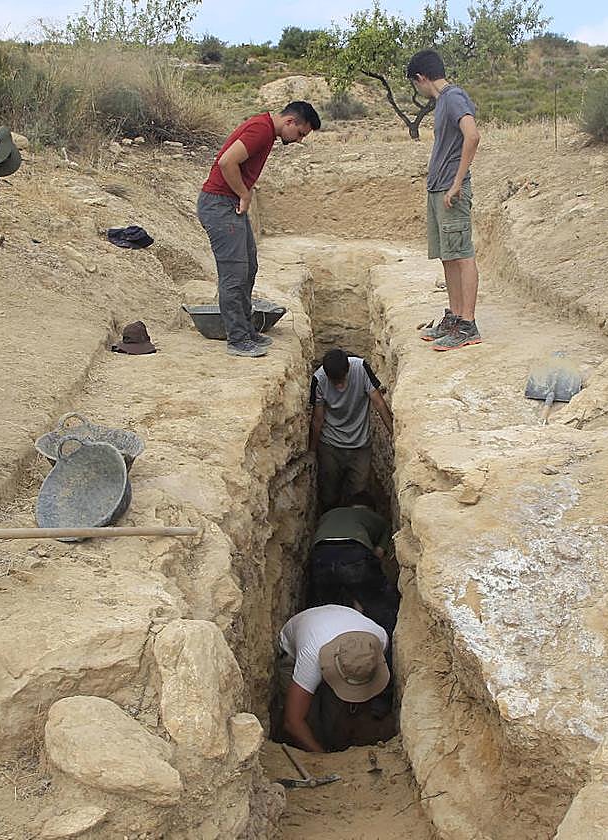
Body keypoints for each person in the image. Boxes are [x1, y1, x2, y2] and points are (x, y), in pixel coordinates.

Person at [197, 101, 321, 358]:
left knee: (248, 267)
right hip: (220, 204)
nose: (299, 140)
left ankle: (246, 329)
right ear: (290, 121)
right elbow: (227, 162)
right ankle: (237, 339)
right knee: (234, 274)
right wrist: (244, 193)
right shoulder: (261, 130)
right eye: (300, 133)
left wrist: (243, 192)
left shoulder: (265, 130)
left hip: (228, 203)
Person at [406, 49, 483, 351]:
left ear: (421, 77)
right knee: (448, 255)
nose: (418, 90)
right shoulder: (443, 102)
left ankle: (468, 325)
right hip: (439, 189)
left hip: (451, 189)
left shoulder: (453, 97)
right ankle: (455, 317)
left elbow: (472, 135)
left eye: (415, 84)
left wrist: (456, 182)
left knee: (462, 254)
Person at [275, 604, 392, 753]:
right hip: (297, 648)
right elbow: (293, 722)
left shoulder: (379, 641)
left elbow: (364, 688)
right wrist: (323, 759)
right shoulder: (311, 658)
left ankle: (335, 743)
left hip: (334, 621)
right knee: (310, 721)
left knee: (334, 716)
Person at [309, 349, 393, 512]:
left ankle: (353, 523)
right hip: (330, 446)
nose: (340, 387)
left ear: (348, 368)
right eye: (335, 382)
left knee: (357, 496)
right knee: (329, 495)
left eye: (342, 380)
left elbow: (379, 403)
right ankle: (330, 520)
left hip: (360, 446)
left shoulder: (361, 368)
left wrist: (394, 434)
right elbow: (317, 419)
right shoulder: (319, 379)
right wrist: (312, 451)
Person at [308, 492, 398, 635]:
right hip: (354, 552)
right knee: (381, 603)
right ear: (370, 509)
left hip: (321, 555)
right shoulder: (376, 519)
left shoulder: (328, 515)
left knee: (326, 607)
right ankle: (385, 643)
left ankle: (326, 640)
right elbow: (378, 553)